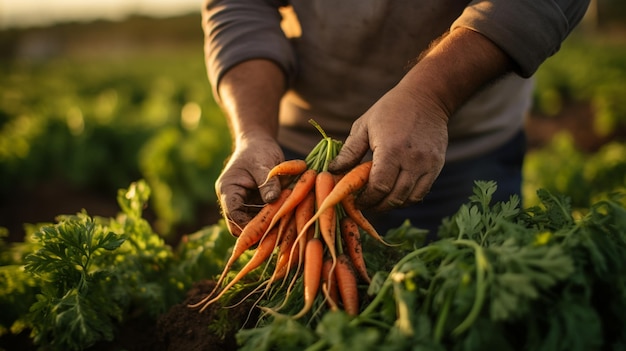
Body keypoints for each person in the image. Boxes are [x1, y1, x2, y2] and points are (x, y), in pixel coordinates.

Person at [202, 0, 590, 239]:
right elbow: (241, 4)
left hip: (465, 144)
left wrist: (430, 96)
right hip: (295, 159)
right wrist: (252, 131)